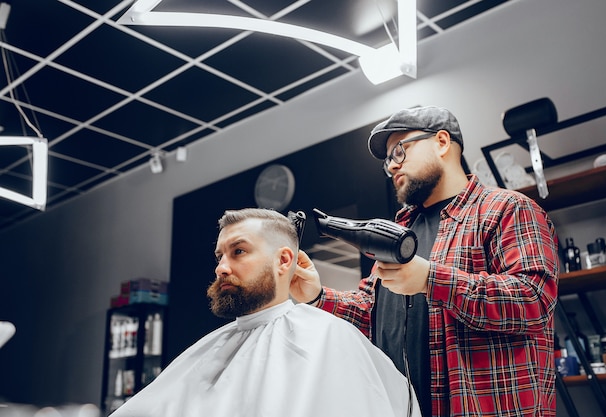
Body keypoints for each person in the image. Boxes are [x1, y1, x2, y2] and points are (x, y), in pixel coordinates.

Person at [290, 106, 560, 417]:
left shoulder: (506, 209)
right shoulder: (401, 232)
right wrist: (317, 295)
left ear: (442, 142)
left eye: (399, 151)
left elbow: (534, 300)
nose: (392, 167)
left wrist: (431, 279)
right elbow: (372, 313)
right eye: (387, 161)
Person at [110, 208, 420, 417]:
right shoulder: (210, 348)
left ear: (285, 260)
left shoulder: (328, 338)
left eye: (239, 251)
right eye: (219, 256)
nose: (221, 267)